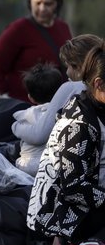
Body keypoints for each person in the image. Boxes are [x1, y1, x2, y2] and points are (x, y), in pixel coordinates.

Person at [28, 43, 105, 245]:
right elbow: (73, 188)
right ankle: (85, 242)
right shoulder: (79, 123)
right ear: (98, 83)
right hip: (64, 212)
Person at [11, 34, 104, 175]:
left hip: (74, 171)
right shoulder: (98, 89)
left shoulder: (72, 88)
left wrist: (15, 126)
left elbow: (39, 134)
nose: (66, 72)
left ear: (78, 66)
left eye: (67, 66)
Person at [0, 0, 73, 102]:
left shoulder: (63, 28)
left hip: (58, 104)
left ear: (57, 4)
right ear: (30, 3)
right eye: (37, 3)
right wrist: (4, 101)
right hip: (23, 108)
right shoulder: (18, 29)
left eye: (48, 3)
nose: (42, 8)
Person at [12, 64, 65, 176]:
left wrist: (15, 127)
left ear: (30, 97)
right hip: (55, 166)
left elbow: (18, 128)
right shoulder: (66, 111)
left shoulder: (26, 115)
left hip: (27, 168)